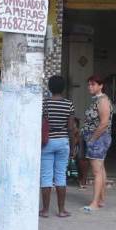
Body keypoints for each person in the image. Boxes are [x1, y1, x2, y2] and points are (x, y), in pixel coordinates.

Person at [40, 75, 75, 218]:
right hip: (63, 142)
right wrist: (72, 146)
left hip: (47, 142)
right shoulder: (69, 104)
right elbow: (71, 128)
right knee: (61, 176)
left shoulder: (44, 103)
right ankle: (61, 210)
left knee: (46, 176)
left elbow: (41, 124)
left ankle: (46, 210)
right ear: (63, 88)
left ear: (49, 87)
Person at [81, 75, 112, 212]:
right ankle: (101, 200)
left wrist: (93, 138)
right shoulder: (98, 99)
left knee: (96, 171)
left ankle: (94, 203)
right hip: (97, 138)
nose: (90, 87)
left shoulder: (103, 101)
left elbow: (104, 123)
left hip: (98, 138)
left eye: (93, 84)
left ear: (101, 85)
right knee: (101, 169)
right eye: (89, 85)